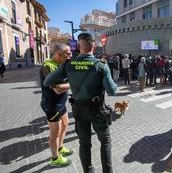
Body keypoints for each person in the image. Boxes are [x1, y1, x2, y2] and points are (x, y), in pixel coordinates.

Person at [44, 32, 117, 173]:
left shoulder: (69, 64)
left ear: (78, 46)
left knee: (84, 143)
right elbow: (112, 91)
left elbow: (48, 81)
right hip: (97, 110)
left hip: (78, 109)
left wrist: (69, 80)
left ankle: (88, 170)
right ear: (94, 46)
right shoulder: (101, 65)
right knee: (105, 141)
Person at [40, 43, 73, 167]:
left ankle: (60, 148)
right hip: (52, 105)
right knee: (55, 131)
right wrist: (75, 83)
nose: (70, 55)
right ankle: (55, 158)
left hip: (60, 103)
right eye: (67, 53)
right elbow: (57, 89)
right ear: (58, 54)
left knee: (65, 124)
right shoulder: (48, 66)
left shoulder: (62, 65)